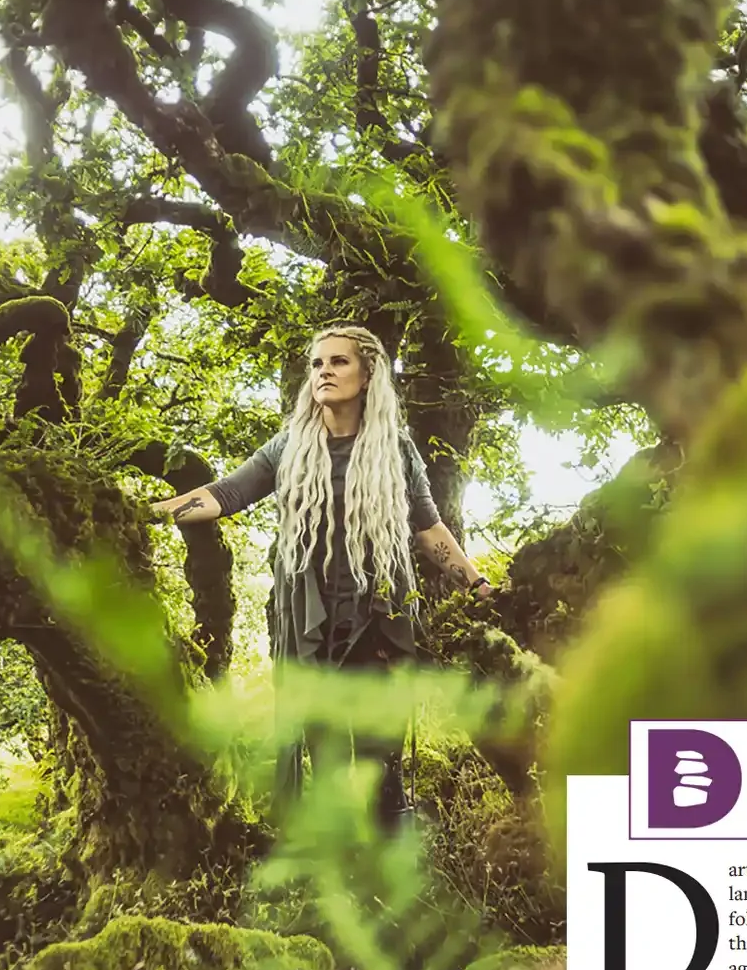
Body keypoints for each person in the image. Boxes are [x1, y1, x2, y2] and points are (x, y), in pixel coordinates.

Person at [147, 323, 491, 822]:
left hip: (377, 625)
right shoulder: (288, 448)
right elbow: (223, 496)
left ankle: (391, 864)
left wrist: (477, 583)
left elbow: (428, 529)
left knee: (381, 763)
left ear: (368, 373)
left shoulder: (396, 450)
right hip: (310, 627)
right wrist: (147, 511)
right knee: (326, 758)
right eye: (317, 364)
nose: (324, 372)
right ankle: (334, 873)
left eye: (338, 362)